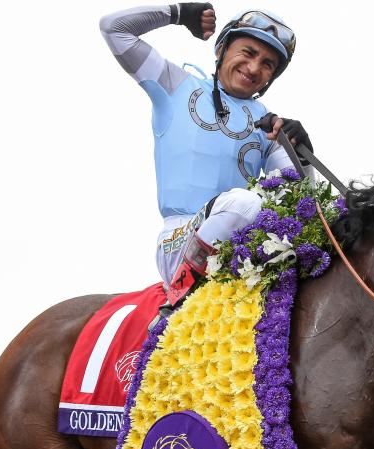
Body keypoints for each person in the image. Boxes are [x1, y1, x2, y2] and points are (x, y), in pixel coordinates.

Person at [100, 3, 312, 305]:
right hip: (178, 240)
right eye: (248, 52)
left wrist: (302, 152)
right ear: (221, 49)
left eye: (267, 64)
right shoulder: (175, 84)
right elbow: (113, 28)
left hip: (239, 252)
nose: (254, 68)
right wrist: (176, 13)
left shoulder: (269, 124)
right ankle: (177, 300)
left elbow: (303, 204)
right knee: (245, 203)